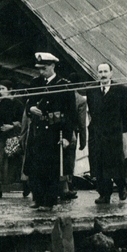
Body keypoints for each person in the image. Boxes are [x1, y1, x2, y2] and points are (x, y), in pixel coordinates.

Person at [23, 52, 76, 211]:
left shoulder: (63, 84)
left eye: (44, 68)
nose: (41, 72)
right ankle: (37, 197)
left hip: (54, 132)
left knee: (51, 168)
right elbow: (29, 103)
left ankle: (49, 200)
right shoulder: (35, 83)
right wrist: (31, 108)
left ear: (52, 66)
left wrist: (67, 136)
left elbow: (70, 113)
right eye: (39, 69)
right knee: (35, 167)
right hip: (37, 131)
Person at [86, 62, 127, 204]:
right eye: (100, 72)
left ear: (111, 73)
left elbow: (126, 113)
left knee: (116, 163)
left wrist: (125, 132)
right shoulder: (91, 90)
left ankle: (122, 186)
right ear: (97, 74)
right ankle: (104, 194)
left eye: (106, 71)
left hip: (115, 134)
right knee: (99, 164)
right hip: (98, 133)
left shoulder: (121, 90)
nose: (103, 75)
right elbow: (92, 111)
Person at [0, 80, 24, 198]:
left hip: (12, 137)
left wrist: (12, 126)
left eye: (3, 89)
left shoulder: (18, 104)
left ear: (10, 90)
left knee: (14, 163)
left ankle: (24, 185)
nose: (0, 91)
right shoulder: (1, 103)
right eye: (0, 88)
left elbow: (22, 121)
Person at [61, 73, 88, 200]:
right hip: (72, 134)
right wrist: (83, 140)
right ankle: (67, 188)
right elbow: (82, 123)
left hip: (58, 132)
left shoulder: (60, 94)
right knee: (69, 160)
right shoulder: (81, 100)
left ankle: (62, 187)